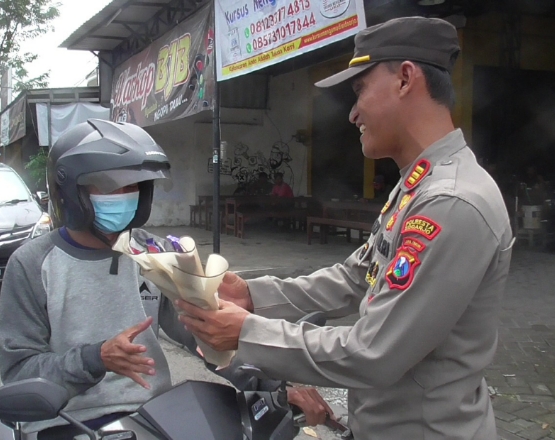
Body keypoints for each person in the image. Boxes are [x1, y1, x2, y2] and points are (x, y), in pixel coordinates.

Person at [176, 17, 514, 440]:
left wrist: (246, 332)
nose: (353, 112)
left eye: (359, 90)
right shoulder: (418, 186)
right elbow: (355, 277)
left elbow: (374, 353)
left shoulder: (451, 201)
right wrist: (251, 295)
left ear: (406, 78)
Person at [0, 119, 332, 440]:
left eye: (134, 186)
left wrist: (274, 387)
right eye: (112, 186)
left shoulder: (151, 251)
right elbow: (19, 373)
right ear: (72, 190)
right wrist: (95, 358)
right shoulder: (32, 265)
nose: (126, 195)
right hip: (74, 423)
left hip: (155, 417)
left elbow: (201, 332)